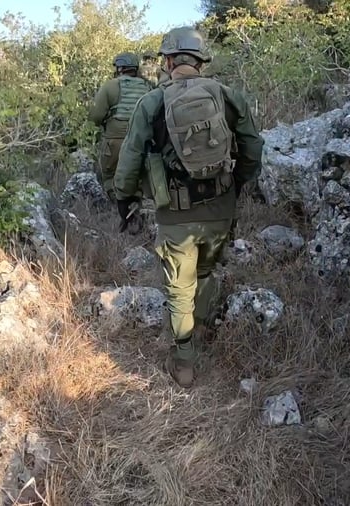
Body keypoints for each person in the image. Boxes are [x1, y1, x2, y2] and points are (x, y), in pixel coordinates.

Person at [112, 26, 264, 388]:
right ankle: (205, 323)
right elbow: (253, 147)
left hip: (175, 213)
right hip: (220, 209)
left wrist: (124, 199)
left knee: (180, 287)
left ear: (167, 61)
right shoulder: (227, 96)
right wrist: (238, 184)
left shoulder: (152, 102)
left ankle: (184, 361)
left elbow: (130, 158)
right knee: (207, 272)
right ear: (200, 61)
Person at [88, 52, 153, 201]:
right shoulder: (148, 87)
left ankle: (118, 212)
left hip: (115, 141)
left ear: (119, 68)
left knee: (111, 178)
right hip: (142, 142)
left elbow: (95, 117)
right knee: (138, 179)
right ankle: (138, 211)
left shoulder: (111, 86)